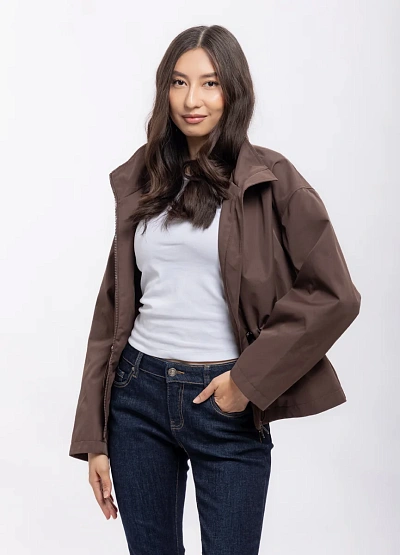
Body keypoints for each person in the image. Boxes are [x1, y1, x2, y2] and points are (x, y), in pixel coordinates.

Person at [69, 25, 361, 555]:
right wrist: (94, 437)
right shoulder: (146, 176)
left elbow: (334, 294)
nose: (192, 100)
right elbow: (111, 310)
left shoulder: (272, 179)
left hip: (225, 402)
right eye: (179, 83)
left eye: (209, 83)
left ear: (234, 91)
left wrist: (246, 382)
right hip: (137, 399)